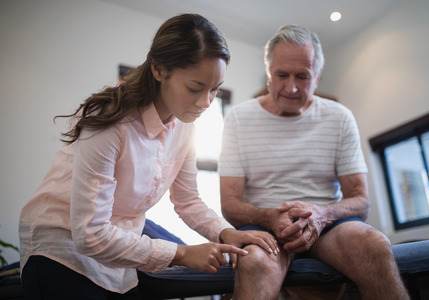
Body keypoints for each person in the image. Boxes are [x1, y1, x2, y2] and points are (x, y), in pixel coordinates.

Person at [19, 14, 278, 300]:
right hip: (62, 243)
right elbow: (90, 234)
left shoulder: (184, 127)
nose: (205, 102)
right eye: (195, 88)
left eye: (214, 90)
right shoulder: (109, 121)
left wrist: (225, 232)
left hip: (120, 240)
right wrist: (181, 253)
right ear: (158, 69)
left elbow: (188, 200)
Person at [218, 24, 410, 300]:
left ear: (317, 77)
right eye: (281, 75)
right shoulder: (238, 118)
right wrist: (269, 217)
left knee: (375, 244)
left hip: (327, 225)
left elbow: (360, 199)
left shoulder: (340, 116)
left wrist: (322, 215)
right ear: (269, 73)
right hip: (263, 225)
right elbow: (230, 203)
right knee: (255, 261)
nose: (291, 87)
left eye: (303, 77)